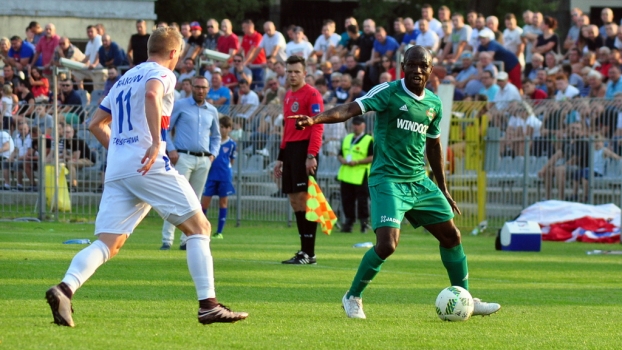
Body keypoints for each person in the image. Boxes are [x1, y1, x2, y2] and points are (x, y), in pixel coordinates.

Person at [44, 27, 247, 327]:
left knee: (108, 243)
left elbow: (96, 124)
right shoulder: (163, 74)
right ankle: (208, 305)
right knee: (199, 227)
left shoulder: (124, 78)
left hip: (119, 167)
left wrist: (121, 151)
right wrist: (154, 141)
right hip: (147, 163)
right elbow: (153, 93)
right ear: (175, 53)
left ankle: (64, 289)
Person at [290, 45, 500, 319]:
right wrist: (316, 119)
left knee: (452, 236)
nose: (417, 70)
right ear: (404, 66)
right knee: (387, 244)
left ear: (430, 69)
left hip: (418, 180)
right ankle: (352, 296)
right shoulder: (388, 92)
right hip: (388, 180)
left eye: (423, 65)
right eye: (412, 65)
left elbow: (434, 147)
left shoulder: (434, 103)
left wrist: (443, 188)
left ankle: (466, 298)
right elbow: (350, 109)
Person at [272, 55, 324, 265]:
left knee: (305, 200)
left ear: (304, 72)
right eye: (289, 71)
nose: (292, 75)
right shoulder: (287, 96)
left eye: (296, 71)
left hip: (305, 151)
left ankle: (309, 252)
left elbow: (318, 125)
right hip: (291, 151)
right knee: (294, 201)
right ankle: (303, 251)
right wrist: (280, 158)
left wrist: (311, 155)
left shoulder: (312, 94)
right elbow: (287, 130)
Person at [161, 76, 221, 250]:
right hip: (183, 157)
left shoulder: (212, 110)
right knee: (177, 197)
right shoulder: (181, 105)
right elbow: (165, 128)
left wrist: (213, 155)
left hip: (203, 159)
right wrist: (171, 149)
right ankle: (167, 239)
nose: (200, 90)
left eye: (203, 87)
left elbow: (216, 136)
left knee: (195, 201)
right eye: (197, 87)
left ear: (208, 89)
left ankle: (186, 240)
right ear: (192, 88)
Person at [201, 116, 236, 240]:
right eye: (221, 126)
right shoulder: (211, 141)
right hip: (211, 175)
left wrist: (226, 169)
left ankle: (219, 231)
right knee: (205, 202)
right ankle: (202, 229)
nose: (223, 129)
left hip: (224, 176)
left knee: (223, 202)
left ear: (230, 129)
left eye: (226, 127)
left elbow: (231, 160)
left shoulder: (232, 144)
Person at [336, 116, 373, 233]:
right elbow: (340, 154)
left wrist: (357, 162)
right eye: (354, 124)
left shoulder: (369, 140)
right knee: (347, 200)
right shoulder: (347, 138)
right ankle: (348, 223)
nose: (356, 127)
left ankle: (364, 224)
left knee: (362, 201)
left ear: (364, 126)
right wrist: (341, 160)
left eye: (358, 124)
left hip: (360, 175)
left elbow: (372, 157)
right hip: (346, 174)